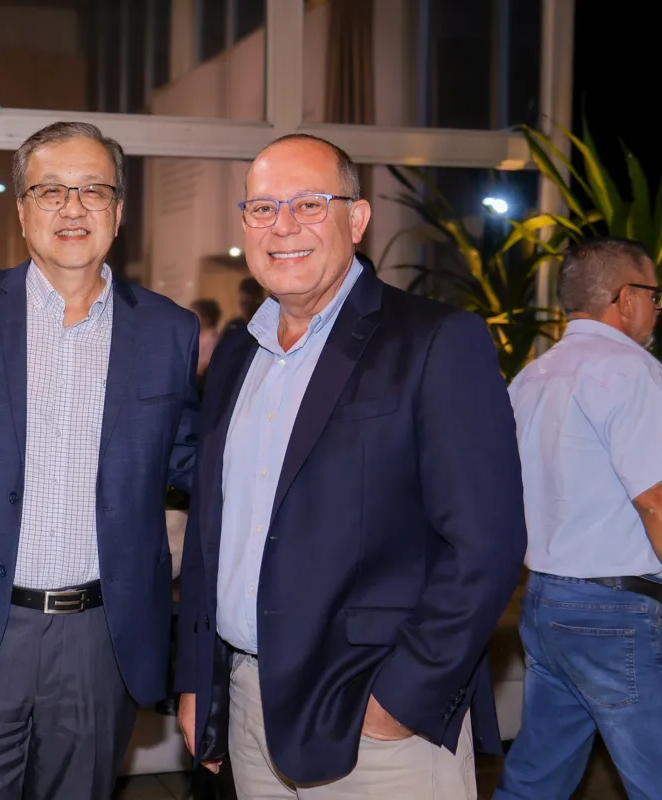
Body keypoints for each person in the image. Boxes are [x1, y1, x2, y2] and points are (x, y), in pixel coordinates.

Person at [175, 133, 526, 798]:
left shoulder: (435, 341)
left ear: (357, 219)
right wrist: (200, 682)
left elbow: (487, 544)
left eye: (310, 204)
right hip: (249, 703)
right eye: (263, 209)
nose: (284, 228)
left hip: (372, 718)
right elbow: (208, 535)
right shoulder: (234, 358)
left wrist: (397, 703)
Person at [0, 120, 200, 799]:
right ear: (21, 209)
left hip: (103, 640)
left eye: (93, 191)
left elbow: (196, 465)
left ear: (119, 211)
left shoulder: (169, 330)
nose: (73, 208)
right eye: (50, 191)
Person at [495, 237, 662, 800]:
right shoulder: (630, 372)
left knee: (537, 777)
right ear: (626, 297)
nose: (657, 309)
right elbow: (656, 500)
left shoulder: (532, 377)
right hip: (619, 611)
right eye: (655, 295)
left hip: (546, 603)